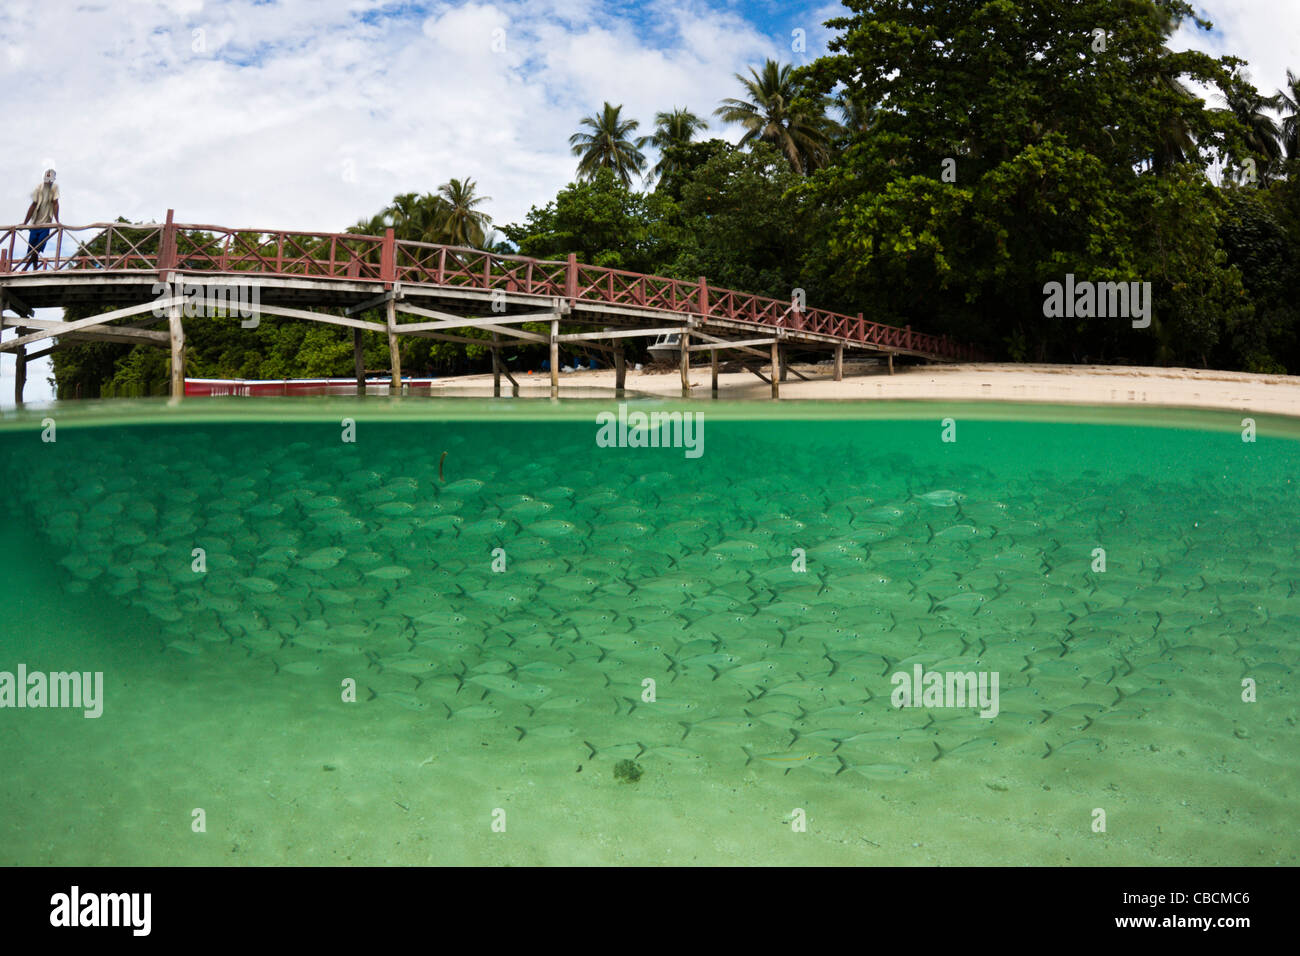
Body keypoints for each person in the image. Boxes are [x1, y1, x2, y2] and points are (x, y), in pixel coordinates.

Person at [20, 169, 60, 271]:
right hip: (35, 223)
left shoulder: (54, 187)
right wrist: (25, 223)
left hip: (46, 223)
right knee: (33, 248)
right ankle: (34, 268)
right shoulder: (39, 187)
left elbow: (55, 203)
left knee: (38, 248)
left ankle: (26, 268)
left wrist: (57, 221)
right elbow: (33, 205)